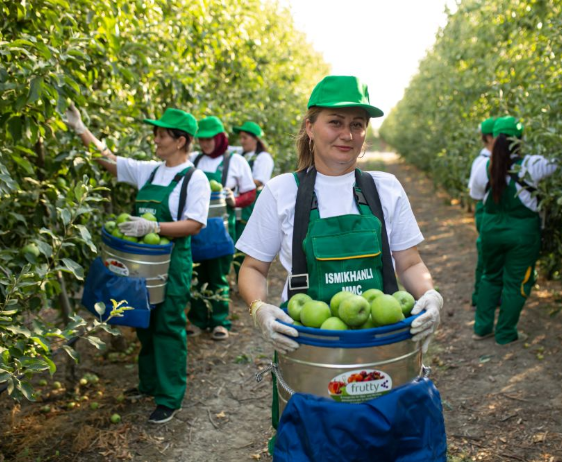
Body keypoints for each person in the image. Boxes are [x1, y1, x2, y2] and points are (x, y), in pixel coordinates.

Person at [235, 75, 444, 454]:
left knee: (384, 445)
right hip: (312, 355)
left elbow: (409, 262)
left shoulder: (385, 188)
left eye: (357, 125)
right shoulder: (283, 191)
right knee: (314, 447)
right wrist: (259, 309)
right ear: (310, 127)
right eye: (335, 122)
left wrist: (429, 294)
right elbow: (252, 268)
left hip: (381, 350)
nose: (347, 134)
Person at [65, 106, 210, 423]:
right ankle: (148, 384)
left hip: (173, 263)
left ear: (181, 140)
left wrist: (153, 228)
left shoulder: (195, 179)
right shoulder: (152, 171)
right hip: (142, 265)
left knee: (168, 326)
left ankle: (170, 397)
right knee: (145, 323)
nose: (155, 139)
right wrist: (81, 129)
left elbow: (195, 224)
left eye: (161, 134)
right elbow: (110, 162)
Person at [469, 116, 557, 344]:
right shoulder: (531, 165)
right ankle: (506, 333)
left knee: (490, 276)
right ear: (519, 141)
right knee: (516, 282)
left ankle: (482, 327)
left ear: (495, 139)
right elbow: (560, 161)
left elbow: (476, 197)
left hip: (491, 231)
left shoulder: (483, 167)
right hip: (522, 234)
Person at [187, 116, 257, 340]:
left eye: (210, 140)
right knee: (197, 274)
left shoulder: (235, 162)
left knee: (218, 275)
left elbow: (249, 192)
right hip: (195, 227)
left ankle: (219, 321)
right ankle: (197, 319)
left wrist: (234, 200)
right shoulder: (192, 160)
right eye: (202, 140)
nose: (205, 144)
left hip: (222, 229)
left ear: (220, 139)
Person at [231, 121, 274, 281]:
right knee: (236, 241)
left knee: (247, 244)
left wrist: (238, 184)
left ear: (255, 139)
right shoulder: (240, 156)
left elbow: (259, 181)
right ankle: (239, 279)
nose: (242, 141)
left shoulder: (263, 158)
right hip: (239, 202)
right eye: (241, 138)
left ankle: (247, 279)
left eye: (245, 138)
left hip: (252, 204)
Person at [469, 117, 496, 309]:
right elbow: (474, 192)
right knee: (486, 257)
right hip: (486, 211)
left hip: (495, 214)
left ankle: (487, 296)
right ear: (487, 138)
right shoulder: (482, 162)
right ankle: (480, 296)